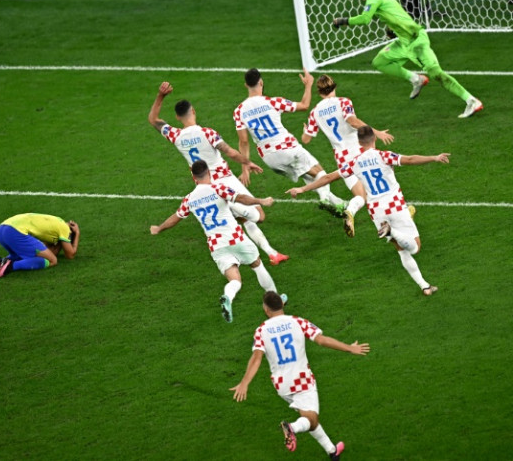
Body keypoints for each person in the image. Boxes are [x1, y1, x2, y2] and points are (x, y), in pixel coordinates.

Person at [286, 126, 449, 296]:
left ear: (358, 143)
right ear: (374, 139)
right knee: (415, 248)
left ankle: (424, 286)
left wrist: (302, 189)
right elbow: (410, 159)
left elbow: (328, 177)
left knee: (400, 249)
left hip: (376, 211)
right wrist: (434, 157)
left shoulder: (354, 162)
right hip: (395, 205)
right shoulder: (383, 156)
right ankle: (392, 230)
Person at [149, 81, 289, 266]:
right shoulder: (207, 133)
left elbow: (153, 119)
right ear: (194, 112)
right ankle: (232, 206)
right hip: (224, 180)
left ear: (177, 117)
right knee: (259, 215)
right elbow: (230, 152)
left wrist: (161, 96)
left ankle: (272, 253)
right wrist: (248, 162)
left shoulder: (175, 135)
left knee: (245, 220)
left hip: (205, 184)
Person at [230, 291, 369, 459]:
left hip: (281, 385)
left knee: (309, 416)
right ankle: (292, 428)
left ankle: (332, 451)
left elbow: (256, 357)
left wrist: (245, 382)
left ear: (266, 309)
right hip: (302, 381)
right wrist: (349, 348)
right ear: (282, 304)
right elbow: (322, 340)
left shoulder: (261, 330)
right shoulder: (298, 321)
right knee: (310, 419)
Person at [150, 160, 287, 323]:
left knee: (235, 280)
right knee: (257, 265)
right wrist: (261, 201)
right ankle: (276, 300)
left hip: (216, 245)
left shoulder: (189, 199)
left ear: (193, 177)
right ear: (209, 172)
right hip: (235, 237)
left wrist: (159, 228)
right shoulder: (217, 188)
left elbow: (175, 218)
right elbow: (241, 198)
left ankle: (228, 296)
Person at [332, 0, 483, 118]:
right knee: (380, 62)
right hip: (404, 42)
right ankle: (416, 79)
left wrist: (342, 21)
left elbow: (365, 19)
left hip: (416, 40)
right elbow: (396, 13)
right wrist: (392, 30)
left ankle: (471, 100)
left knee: (436, 72)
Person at [234, 68, 347, 218]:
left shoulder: (239, 111)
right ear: (261, 82)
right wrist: (308, 85)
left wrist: (245, 168)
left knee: (309, 177)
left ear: (245, 85)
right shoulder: (273, 102)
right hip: (287, 149)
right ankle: (325, 199)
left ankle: (340, 204)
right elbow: (304, 105)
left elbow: (243, 141)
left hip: (269, 159)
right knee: (320, 172)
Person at [302, 74, 395, 237]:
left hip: (342, 157)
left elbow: (306, 139)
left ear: (319, 92)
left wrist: (305, 130)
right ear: (334, 87)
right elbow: (353, 121)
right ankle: (394, 218)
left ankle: (351, 211)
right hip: (359, 150)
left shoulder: (315, 112)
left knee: (361, 196)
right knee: (379, 186)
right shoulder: (343, 102)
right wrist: (377, 132)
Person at [0, 213, 79, 280]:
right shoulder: (65, 230)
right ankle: (10, 266)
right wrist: (77, 234)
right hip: (15, 232)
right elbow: (70, 254)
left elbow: (45, 250)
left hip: (2, 229)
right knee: (53, 261)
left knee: (28, 254)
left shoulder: (56, 222)